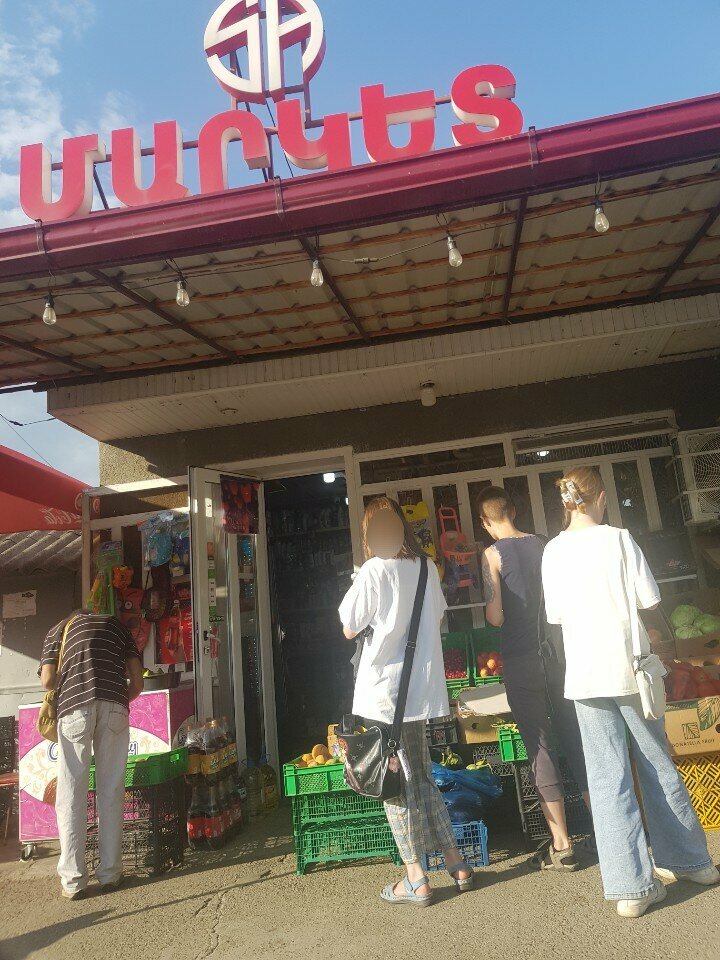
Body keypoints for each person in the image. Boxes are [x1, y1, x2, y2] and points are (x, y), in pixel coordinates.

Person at [541, 466, 718, 918]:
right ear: (600, 498)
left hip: (584, 676)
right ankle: (690, 861)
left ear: (566, 502)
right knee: (657, 762)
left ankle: (630, 888)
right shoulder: (619, 540)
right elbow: (650, 601)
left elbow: (556, 616)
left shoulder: (553, 551)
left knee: (606, 778)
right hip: (630, 670)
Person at [339, 496, 472, 905]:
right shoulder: (428, 567)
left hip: (384, 694)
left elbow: (348, 626)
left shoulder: (373, 571)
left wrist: (359, 579)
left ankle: (415, 878)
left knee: (392, 784)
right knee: (423, 775)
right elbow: (438, 618)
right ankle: (456, 862)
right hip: (421, 693)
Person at [476, 486, 589, 872]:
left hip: (522, 659)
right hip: (558, 655)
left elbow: (495, 617)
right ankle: (609, 829)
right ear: (514, 511)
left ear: (485, 521)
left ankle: (562, 843)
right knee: (575, 737)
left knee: (539, 746)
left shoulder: (492, 554)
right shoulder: (545, 544)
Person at [40, 609, 144, 900]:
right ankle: (111, 874)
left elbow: (47, 681)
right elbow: (137, 683)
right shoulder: (118, 629)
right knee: (110, 790)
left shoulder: (57, 630)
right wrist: (117, 699)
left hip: (74, 707)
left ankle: (74, 882)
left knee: (71, 792)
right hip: (114, 705)